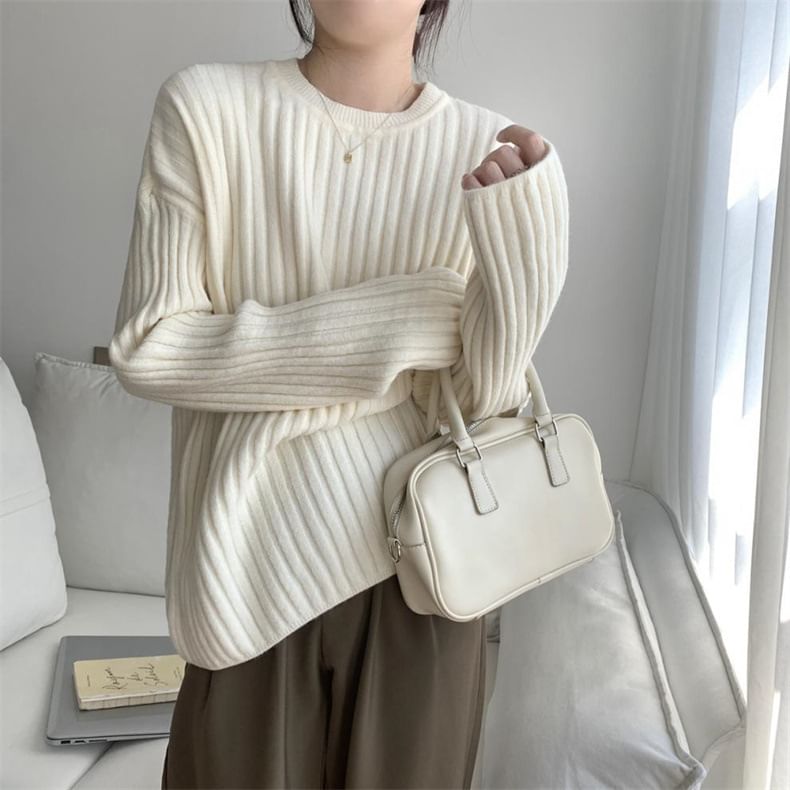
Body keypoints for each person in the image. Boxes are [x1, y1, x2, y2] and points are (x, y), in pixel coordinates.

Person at [108, 0, 570, 787]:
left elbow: (481, 400)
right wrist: (407, 321)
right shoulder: (206, 108)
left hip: (425, 586)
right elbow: (151, 347)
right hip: (244, 580)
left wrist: (531, 253)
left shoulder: (484, 148)